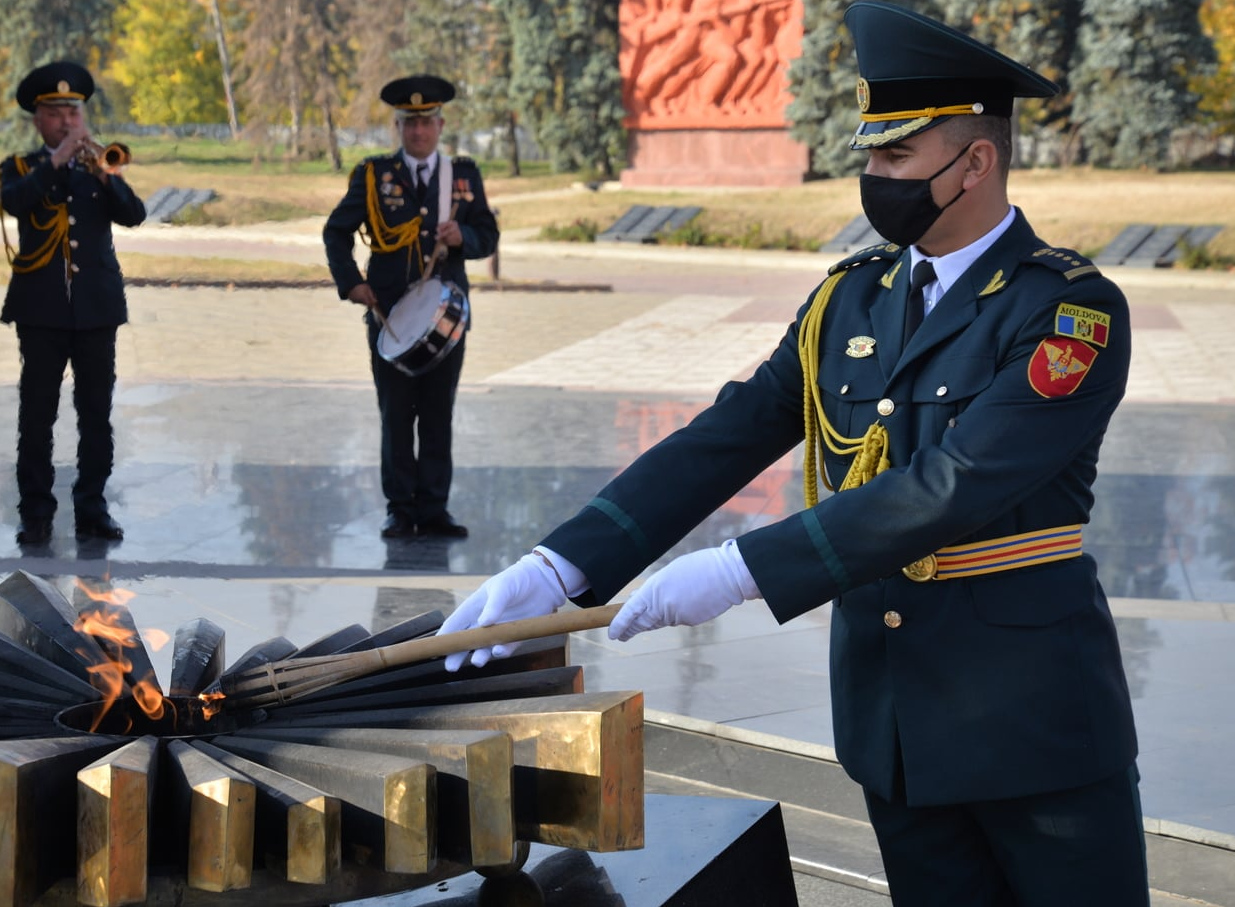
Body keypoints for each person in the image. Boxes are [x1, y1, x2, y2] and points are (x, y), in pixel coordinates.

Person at [439, 3, 1147, 904]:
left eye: (897, 157)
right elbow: (727, 435)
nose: (873, 177)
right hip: (892, 722)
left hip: (1033, 725)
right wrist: (564, 562)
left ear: (977, 162)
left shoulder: (1065, 310)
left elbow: (957, 483)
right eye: (871, 155)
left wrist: (744, 569)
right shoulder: (848, 301)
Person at [323, 75, 500, 539]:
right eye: (409, 124)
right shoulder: (373, 175)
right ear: (398, 128)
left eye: (426, 122)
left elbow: (488, 234)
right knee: (397, 414)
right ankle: (400, 508)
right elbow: (335, 232)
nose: (418, 131)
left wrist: (466, 237)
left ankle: (435, 508)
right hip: (391, 318)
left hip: (447, 318)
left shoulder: (462, 175)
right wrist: (352, 284)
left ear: (440, 125)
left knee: (439, 413)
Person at [0, 61, 146, 547]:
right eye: (57, 113)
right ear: (38, 119)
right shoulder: (21, 168)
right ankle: (36, 512)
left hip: (96, 309)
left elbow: (134, 215)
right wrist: (56, 161)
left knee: (96, 415)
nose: (67, 122)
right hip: (41, 311)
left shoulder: (99, 167)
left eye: (74, 113)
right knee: (37, 416)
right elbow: (16, 202)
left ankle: (92, 507)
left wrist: (107, 176)